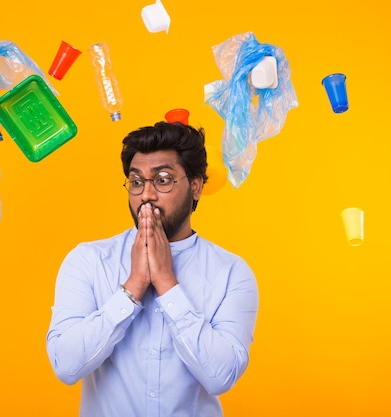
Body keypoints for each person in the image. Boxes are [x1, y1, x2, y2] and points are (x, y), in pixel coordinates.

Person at [46, 121, 259, 417]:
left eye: (162, 179)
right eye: (136, 182)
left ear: (195, 186)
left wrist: (166, 283)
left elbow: (220, 376)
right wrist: (133, 287)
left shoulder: (231, 273)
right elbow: (66, 366)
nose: (146, 195)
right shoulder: (89, 260)